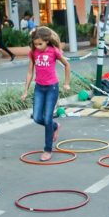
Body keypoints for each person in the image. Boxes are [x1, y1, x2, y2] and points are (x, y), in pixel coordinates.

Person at [21, 26, 71, 161]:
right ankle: (55, 126)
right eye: (35, 44)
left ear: (47, 41)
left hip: (51, 88)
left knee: (47, 118)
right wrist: (25, 90)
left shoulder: (53, 51)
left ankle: (48, 149)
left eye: (40, 44)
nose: (37, 46)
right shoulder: (33, 53)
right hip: (39, 88)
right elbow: (30, 71)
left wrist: (66, 83)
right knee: (37, 118)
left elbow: (67, 65)